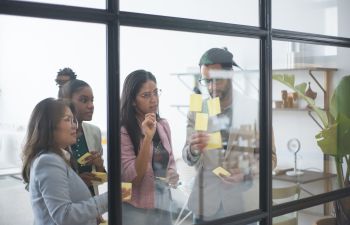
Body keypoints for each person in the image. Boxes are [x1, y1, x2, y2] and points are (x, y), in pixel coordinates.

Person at [182, 47, 277, 223]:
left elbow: (270, 158)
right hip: (205, 206)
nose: (211, 87)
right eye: (206, 81)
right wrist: (193, 150)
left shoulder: (255, 109)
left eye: (217, 80)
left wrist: (246, 174)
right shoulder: (197, 110)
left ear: (230, 76)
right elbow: (187, 157)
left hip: (243, 206)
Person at [21, 98, 108, 225]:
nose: (74, 126)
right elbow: (64, 216)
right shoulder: (48, 161)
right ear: (49, 126)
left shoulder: (59, 158)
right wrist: (112, 197)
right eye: (67, 120)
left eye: (73, 120)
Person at [120, 69, 179, 225]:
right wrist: (147, 138)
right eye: (146, 95)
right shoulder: (123, 131)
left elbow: (170, 161)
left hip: (163, 203)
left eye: (155, 92)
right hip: (135, 209)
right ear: (133, 100)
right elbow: (132, 178)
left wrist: (172, 173)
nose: (154, 100)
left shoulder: (163, 124)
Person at [59, 79, 106, 196]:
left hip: (90, 203)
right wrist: (77, 182)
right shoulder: (56, 135)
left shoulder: (94, 132)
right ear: (67, 102)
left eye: (92, 100)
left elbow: (101, 179)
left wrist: (99, 165)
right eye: (84, 100)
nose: (91, 106)